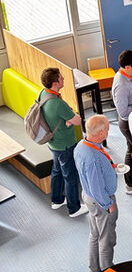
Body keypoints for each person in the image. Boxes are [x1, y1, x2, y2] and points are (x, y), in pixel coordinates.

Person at [40, 67, 88, 217]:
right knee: (70, 175)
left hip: (53, 143)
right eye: (61, 78)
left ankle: (57, 200)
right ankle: (74, 208)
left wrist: (66, 118)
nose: (63, 79)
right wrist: (69, 117)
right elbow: (78, 120)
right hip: (65, 144)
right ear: (55, 83)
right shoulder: (58, 104)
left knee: (56, 170)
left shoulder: (44, 93)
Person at [74, 115, 118, 272]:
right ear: (100, 133)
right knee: (106, 239)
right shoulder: (92, 157)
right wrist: (108, 204)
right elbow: (97, 186)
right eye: (107, 128)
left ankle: (94, 270)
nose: (108, 131)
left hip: (88, 197)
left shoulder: (82, 145)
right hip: (100, 201)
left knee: (95, 234)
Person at [111, 50, 132, 194]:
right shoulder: (121, 84)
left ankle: (131, 182)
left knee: (131, 150)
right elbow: (123, 112)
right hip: (128, 123)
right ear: (127, 67)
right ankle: (130, 183)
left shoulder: (128, 76)